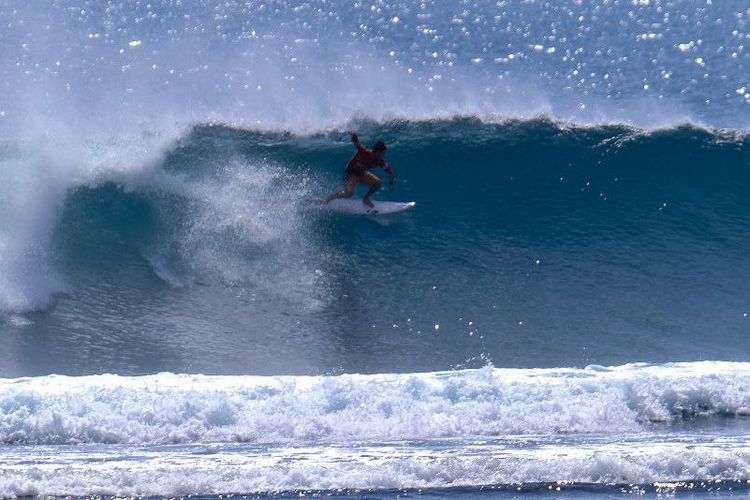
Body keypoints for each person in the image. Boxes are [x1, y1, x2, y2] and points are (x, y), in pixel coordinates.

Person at [325, 132, 395, 208]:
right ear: (378, 152)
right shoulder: (363, 152)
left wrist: (391, 183)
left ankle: (366, 199)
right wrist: (353, 135)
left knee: (377, 183)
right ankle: (331, 197)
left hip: (362, 174)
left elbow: (390, 172)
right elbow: (357, 143)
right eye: (383, 153)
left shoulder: (380, 162)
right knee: (349, 193)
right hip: (349, 174)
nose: (384, 155)